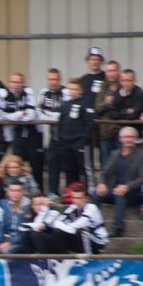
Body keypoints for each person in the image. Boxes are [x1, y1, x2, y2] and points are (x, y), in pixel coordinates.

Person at [95, 126, 143, 237]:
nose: (128, 140)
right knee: (96, 194)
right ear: (120, 139)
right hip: (114, 190)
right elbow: (104, 172)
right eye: (126, 137)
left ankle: (118, 227)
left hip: (133, 193)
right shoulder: (115, 154)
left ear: (136, 138)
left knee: (120, 194)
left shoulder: (142, 155)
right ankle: (93, 225)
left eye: (131, 137)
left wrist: (127, 186)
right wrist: (102, 184)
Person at [54, 78, 95, 194]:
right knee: (69, 169)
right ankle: (71, 191)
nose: (72, 91)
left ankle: (90, 191)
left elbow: (90, 124)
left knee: (85, 168)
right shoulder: (65, 105)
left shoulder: (85, 105)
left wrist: (83, 140)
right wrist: (61, 138)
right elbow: (61, 123)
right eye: (70, 88)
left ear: (80, 90)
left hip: (80, 142)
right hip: (66, 142)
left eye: (75, 89)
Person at [37, 68, 69, 197]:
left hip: (67, 137)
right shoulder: (44, 93)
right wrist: (53, 115)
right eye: (50, 79)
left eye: (55, 79)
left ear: (60, 79)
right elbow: (39, 111)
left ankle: (69, 193)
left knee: (68, 166)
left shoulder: (65, 92)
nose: (53, 82)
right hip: (53, 137)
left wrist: (49, 114)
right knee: (52, 165)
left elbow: (64, 113)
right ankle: (52, 192)